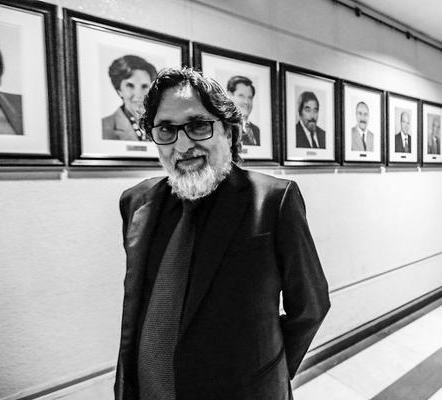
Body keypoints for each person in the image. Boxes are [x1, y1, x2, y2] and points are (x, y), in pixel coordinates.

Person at [115, 67, 330, 400]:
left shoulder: (273, 201)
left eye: (198, 125)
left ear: (228, 131)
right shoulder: (136, 202)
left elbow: (310, 306)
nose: (182, 145)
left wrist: (267, 374)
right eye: (166, 129)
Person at [102, 55, 157, 141]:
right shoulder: (104, 127)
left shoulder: (160, 124)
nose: (138, 95)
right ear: (119, 90)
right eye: (130, 86)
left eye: (144, 86)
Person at [226, 75, 260, 146]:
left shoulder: (257, 130)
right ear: (229, 96)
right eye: (241, 96)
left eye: (249, 97)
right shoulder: (225, 128)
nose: (246, 102)